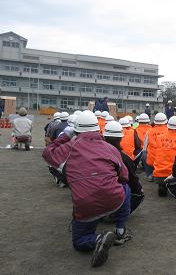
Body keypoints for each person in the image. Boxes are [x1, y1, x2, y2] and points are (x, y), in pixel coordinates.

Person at [42, 111, 131, 267]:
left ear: (75, 130)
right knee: (125, 187)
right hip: (114, 201)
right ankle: (120, 229)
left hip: (86, 204)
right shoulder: (110, 148)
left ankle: (96, 238)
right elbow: (124, 176)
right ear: (98, 129)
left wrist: (64, 137)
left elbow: (47, 153)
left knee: (79, 240)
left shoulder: (69, 147)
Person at [103, 121, 144, 214]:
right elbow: (132, 179)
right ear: (121, 138)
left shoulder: (94, 154)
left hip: (93, 199)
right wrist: (138, 189)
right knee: (127, 187)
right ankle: (119, 216)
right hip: (115, 196)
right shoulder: (124, 158)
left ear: (104, 137)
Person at [153, 116, 176, 197]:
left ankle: (162, 185)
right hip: (175, 175)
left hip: (158, 174)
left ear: (168, 126)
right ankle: (175, 187)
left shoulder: (159, 138)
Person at [143, 112, 168, 180]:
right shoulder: (169, 131)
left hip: (152, 159)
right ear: (166, 121)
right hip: (165, 159)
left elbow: (144, 148)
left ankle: (150, 174)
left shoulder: (149, 131)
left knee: (144, 153)